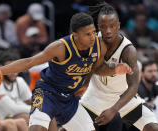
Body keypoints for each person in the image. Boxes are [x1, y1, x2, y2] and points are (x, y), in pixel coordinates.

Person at [0, 12, 132, 131]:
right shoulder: (60, 47)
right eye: (87, 34)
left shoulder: (99, 45)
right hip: (47, 94)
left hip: (70, 99)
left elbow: (96, 68)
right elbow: (29, 62)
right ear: (75, 35)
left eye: (93, 32)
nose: (93, 37)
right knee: (37, 129)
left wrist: (114, 69)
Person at [63, 3, 158, 131]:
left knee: (152, 127)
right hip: (95, 96)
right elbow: (93, 67)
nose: (108, 31)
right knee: (68, 127)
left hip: (123, 99)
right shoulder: (94, 42)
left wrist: (113, 109)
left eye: (112, 26)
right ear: (98, 27)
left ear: (118, 25)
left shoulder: (128, 51)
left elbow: (134, 87)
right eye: (104, 27)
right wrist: (84, 85)